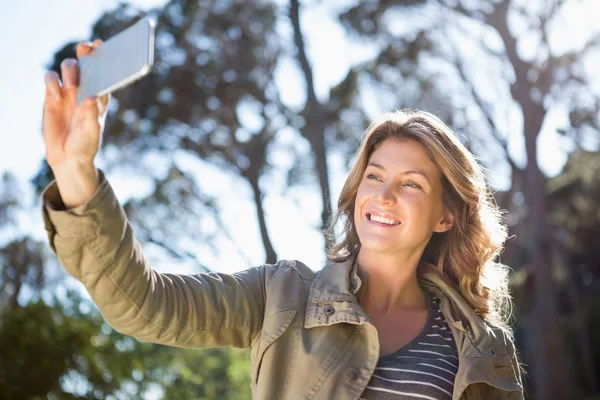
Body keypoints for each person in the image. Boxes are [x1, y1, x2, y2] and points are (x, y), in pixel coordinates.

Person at [41, 41, 524, 400]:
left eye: (412, 184)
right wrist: (74, 171)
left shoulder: (483, 348)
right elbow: (144, 305)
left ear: (445, 216)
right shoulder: (282, 296)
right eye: (374, 176)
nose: (384, 195)